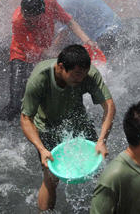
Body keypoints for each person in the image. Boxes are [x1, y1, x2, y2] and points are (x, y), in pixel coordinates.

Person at [20, 45, 115, 211]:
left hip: (78, 122)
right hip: (47, 127)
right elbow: (26, 118)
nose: (81, 80)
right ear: (61, 67)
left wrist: (102, 140)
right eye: (77, 75)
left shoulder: (88, 74)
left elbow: (109, 106)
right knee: (51, 179)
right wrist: (41, 149)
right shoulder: (39, 79)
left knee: (102, 170)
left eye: (84, 74)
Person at [0, 0, 95, 120]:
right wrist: (54, 54)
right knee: (16, 103)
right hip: (21, 55)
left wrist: (87, 40)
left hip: (45, 52)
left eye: (35, 18)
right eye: (28, 18)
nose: (31, 21)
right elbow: (33, 50)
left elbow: (69, 21)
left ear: (43, 11)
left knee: (48, 95)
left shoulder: (50, 3)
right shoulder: (18, 20)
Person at [26, 0, 122, 54]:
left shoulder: (62, 2)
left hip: (107, 29)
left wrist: (50, 51)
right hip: (95, 27)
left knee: (99, 63)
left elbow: (65, 31)